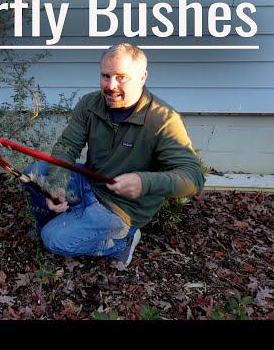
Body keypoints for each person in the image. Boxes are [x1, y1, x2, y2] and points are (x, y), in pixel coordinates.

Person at [24, 43, 205, 268]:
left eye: (121, 77)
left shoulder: (163, 120)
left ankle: (122, 242)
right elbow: (67, 146)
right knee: (36, 173)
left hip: (121, 209)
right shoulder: (90, 104)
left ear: (143, 77)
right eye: (105, 76)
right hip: (90, 183)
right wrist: (57, 185)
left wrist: (144, 182)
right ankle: (61, 219)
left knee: (54, 240)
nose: (111, 86)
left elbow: (194, 177)